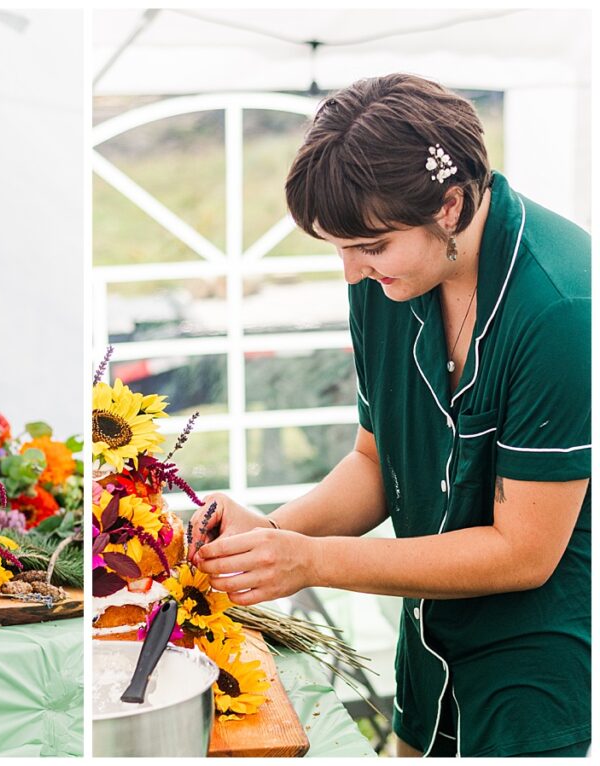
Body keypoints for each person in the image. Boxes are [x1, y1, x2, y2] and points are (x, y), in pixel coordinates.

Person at [189, 74, 590, 758]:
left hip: (538, 660)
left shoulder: (563, 307)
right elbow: (375, 463)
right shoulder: (391, 273)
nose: (351, 272)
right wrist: (270, 538)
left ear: (452, 204)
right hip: (426, 641)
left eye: (369, 247)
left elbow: (523, 552)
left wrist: (311, 561)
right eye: (339, 247)